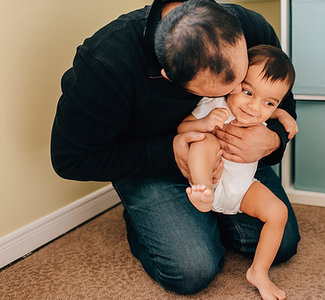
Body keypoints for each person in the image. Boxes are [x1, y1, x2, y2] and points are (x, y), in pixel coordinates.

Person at [51, 0, 300, 295]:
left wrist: (273, 139)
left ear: (240, 36)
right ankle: (157, 221)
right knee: (193, 270)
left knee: (282, 244)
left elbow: (282, 103)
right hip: (150, 163)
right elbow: (71, 159)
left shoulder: (253, 27)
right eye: (220, 92)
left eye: (241, 81)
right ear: (168, 76)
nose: (236, 97)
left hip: (234, 163)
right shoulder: (105, 64)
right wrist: (170, 152)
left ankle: (205, 212)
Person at [177, 44, 297, 300]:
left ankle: (259, 272)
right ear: (233, 82)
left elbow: (265, 106)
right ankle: (202, 191)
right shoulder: (214, 104)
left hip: (242, 189)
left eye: (269, 102)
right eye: (247, 91)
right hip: (211, 179)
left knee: (278, 213)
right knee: (204, 141)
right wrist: (203, 123)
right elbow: (182, 128)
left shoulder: (258, 112)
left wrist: (282, 113)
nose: (254, 107)